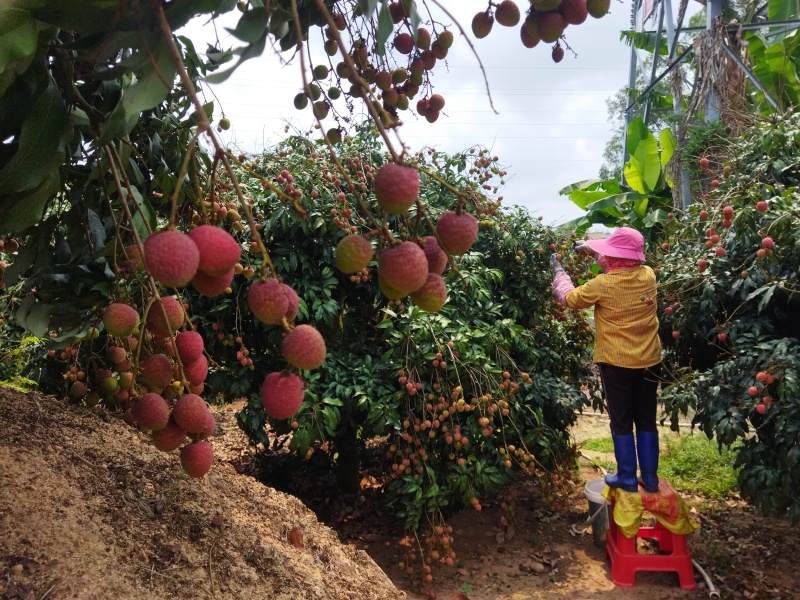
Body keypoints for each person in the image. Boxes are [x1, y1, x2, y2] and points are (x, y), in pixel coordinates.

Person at [550, 226, 662, 494]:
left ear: (611, 256)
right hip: (649, 360)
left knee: (621, 420)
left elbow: (569, 298)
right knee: (646, 419)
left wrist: (559, 272)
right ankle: (650, 477)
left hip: (616, 363)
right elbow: (616, 259)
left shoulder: (603, 284)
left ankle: (626, 476)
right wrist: (590, 247)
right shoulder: (648, 276)